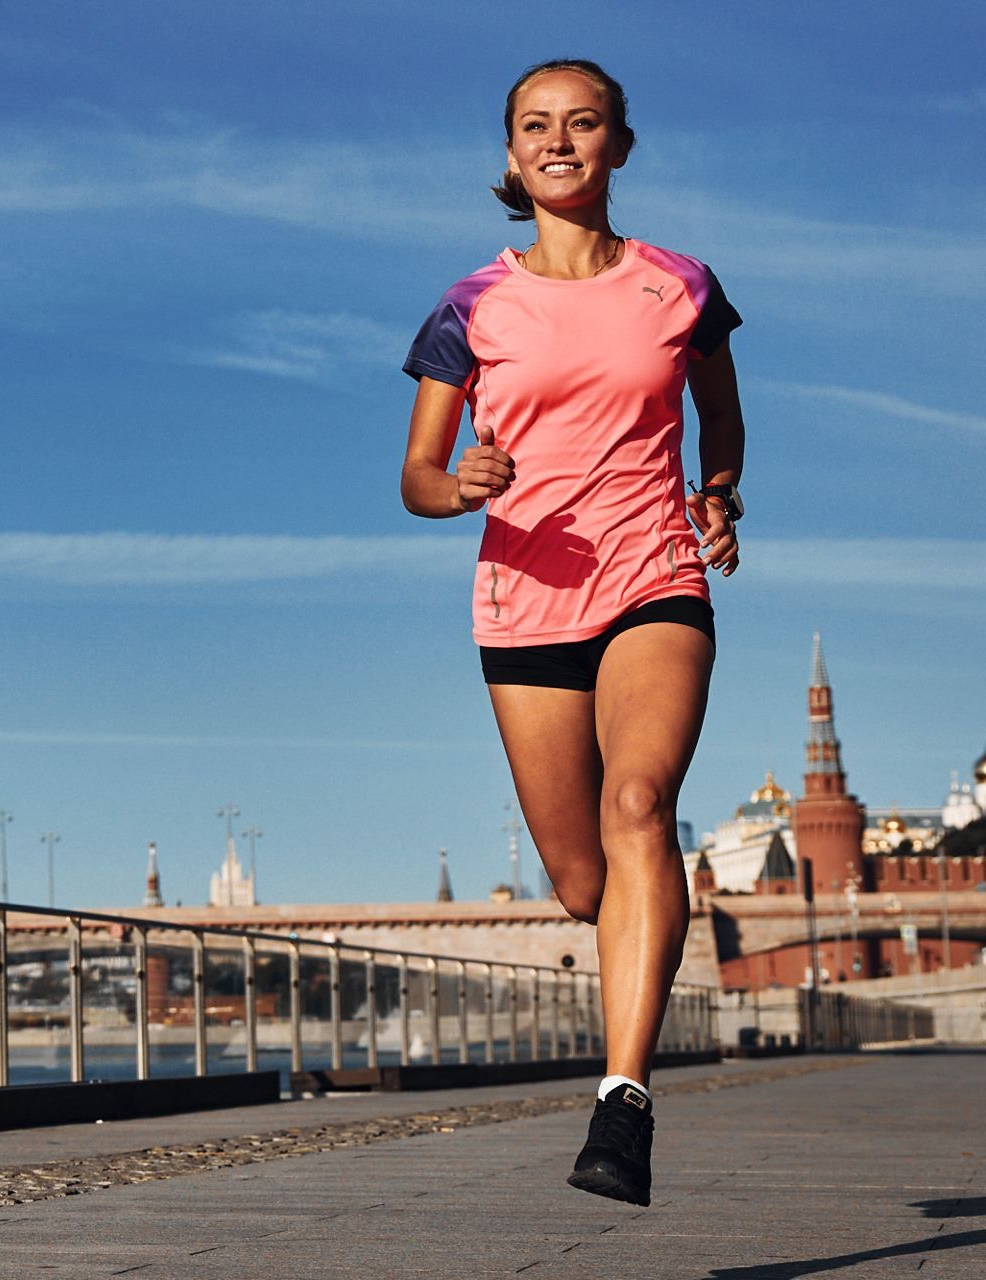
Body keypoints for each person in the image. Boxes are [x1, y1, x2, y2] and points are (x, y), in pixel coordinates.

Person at [400, 59, 745, 1208]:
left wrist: (716, 488)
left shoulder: (681, 285)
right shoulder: (470, 305)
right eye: (535, 127)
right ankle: (644, 926)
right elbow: (415, 474)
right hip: (522, 598)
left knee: (640, 800)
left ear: (618, 145)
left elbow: (718, 410)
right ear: (510, 159)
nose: (559, 142)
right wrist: (464, 486)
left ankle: (623, 1100)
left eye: (581, 123)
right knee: (578, 876)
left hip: (653, 577)